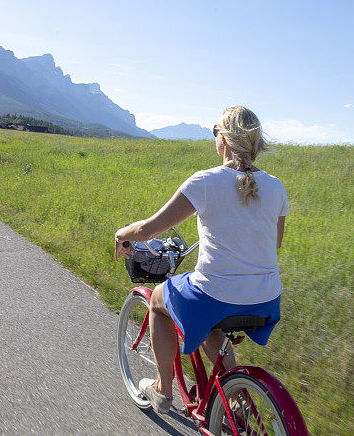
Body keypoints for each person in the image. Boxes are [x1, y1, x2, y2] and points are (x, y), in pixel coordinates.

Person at [114, 106, 288, 414]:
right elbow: (273, 244)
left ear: (223, 138)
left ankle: (162, 390)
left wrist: (120, 234)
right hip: (267, 298)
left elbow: (148, 229)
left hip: (217, 294)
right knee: (208, 320)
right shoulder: (276, 186)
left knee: (158, 299)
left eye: (214, 131)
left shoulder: (205, 182)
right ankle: (234, 398)